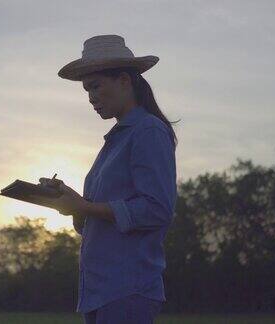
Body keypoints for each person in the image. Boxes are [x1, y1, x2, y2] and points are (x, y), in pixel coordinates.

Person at [33, 34, 179, 324]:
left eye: (96, 86)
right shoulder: (114, 142)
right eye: (87, 90)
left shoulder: (148, 131)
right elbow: (100, 222)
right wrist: (72, 204)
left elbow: (157, 209)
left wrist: (85, 208)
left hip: (128, 289)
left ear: (124, 81)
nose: (91, 98)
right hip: (100, 291)